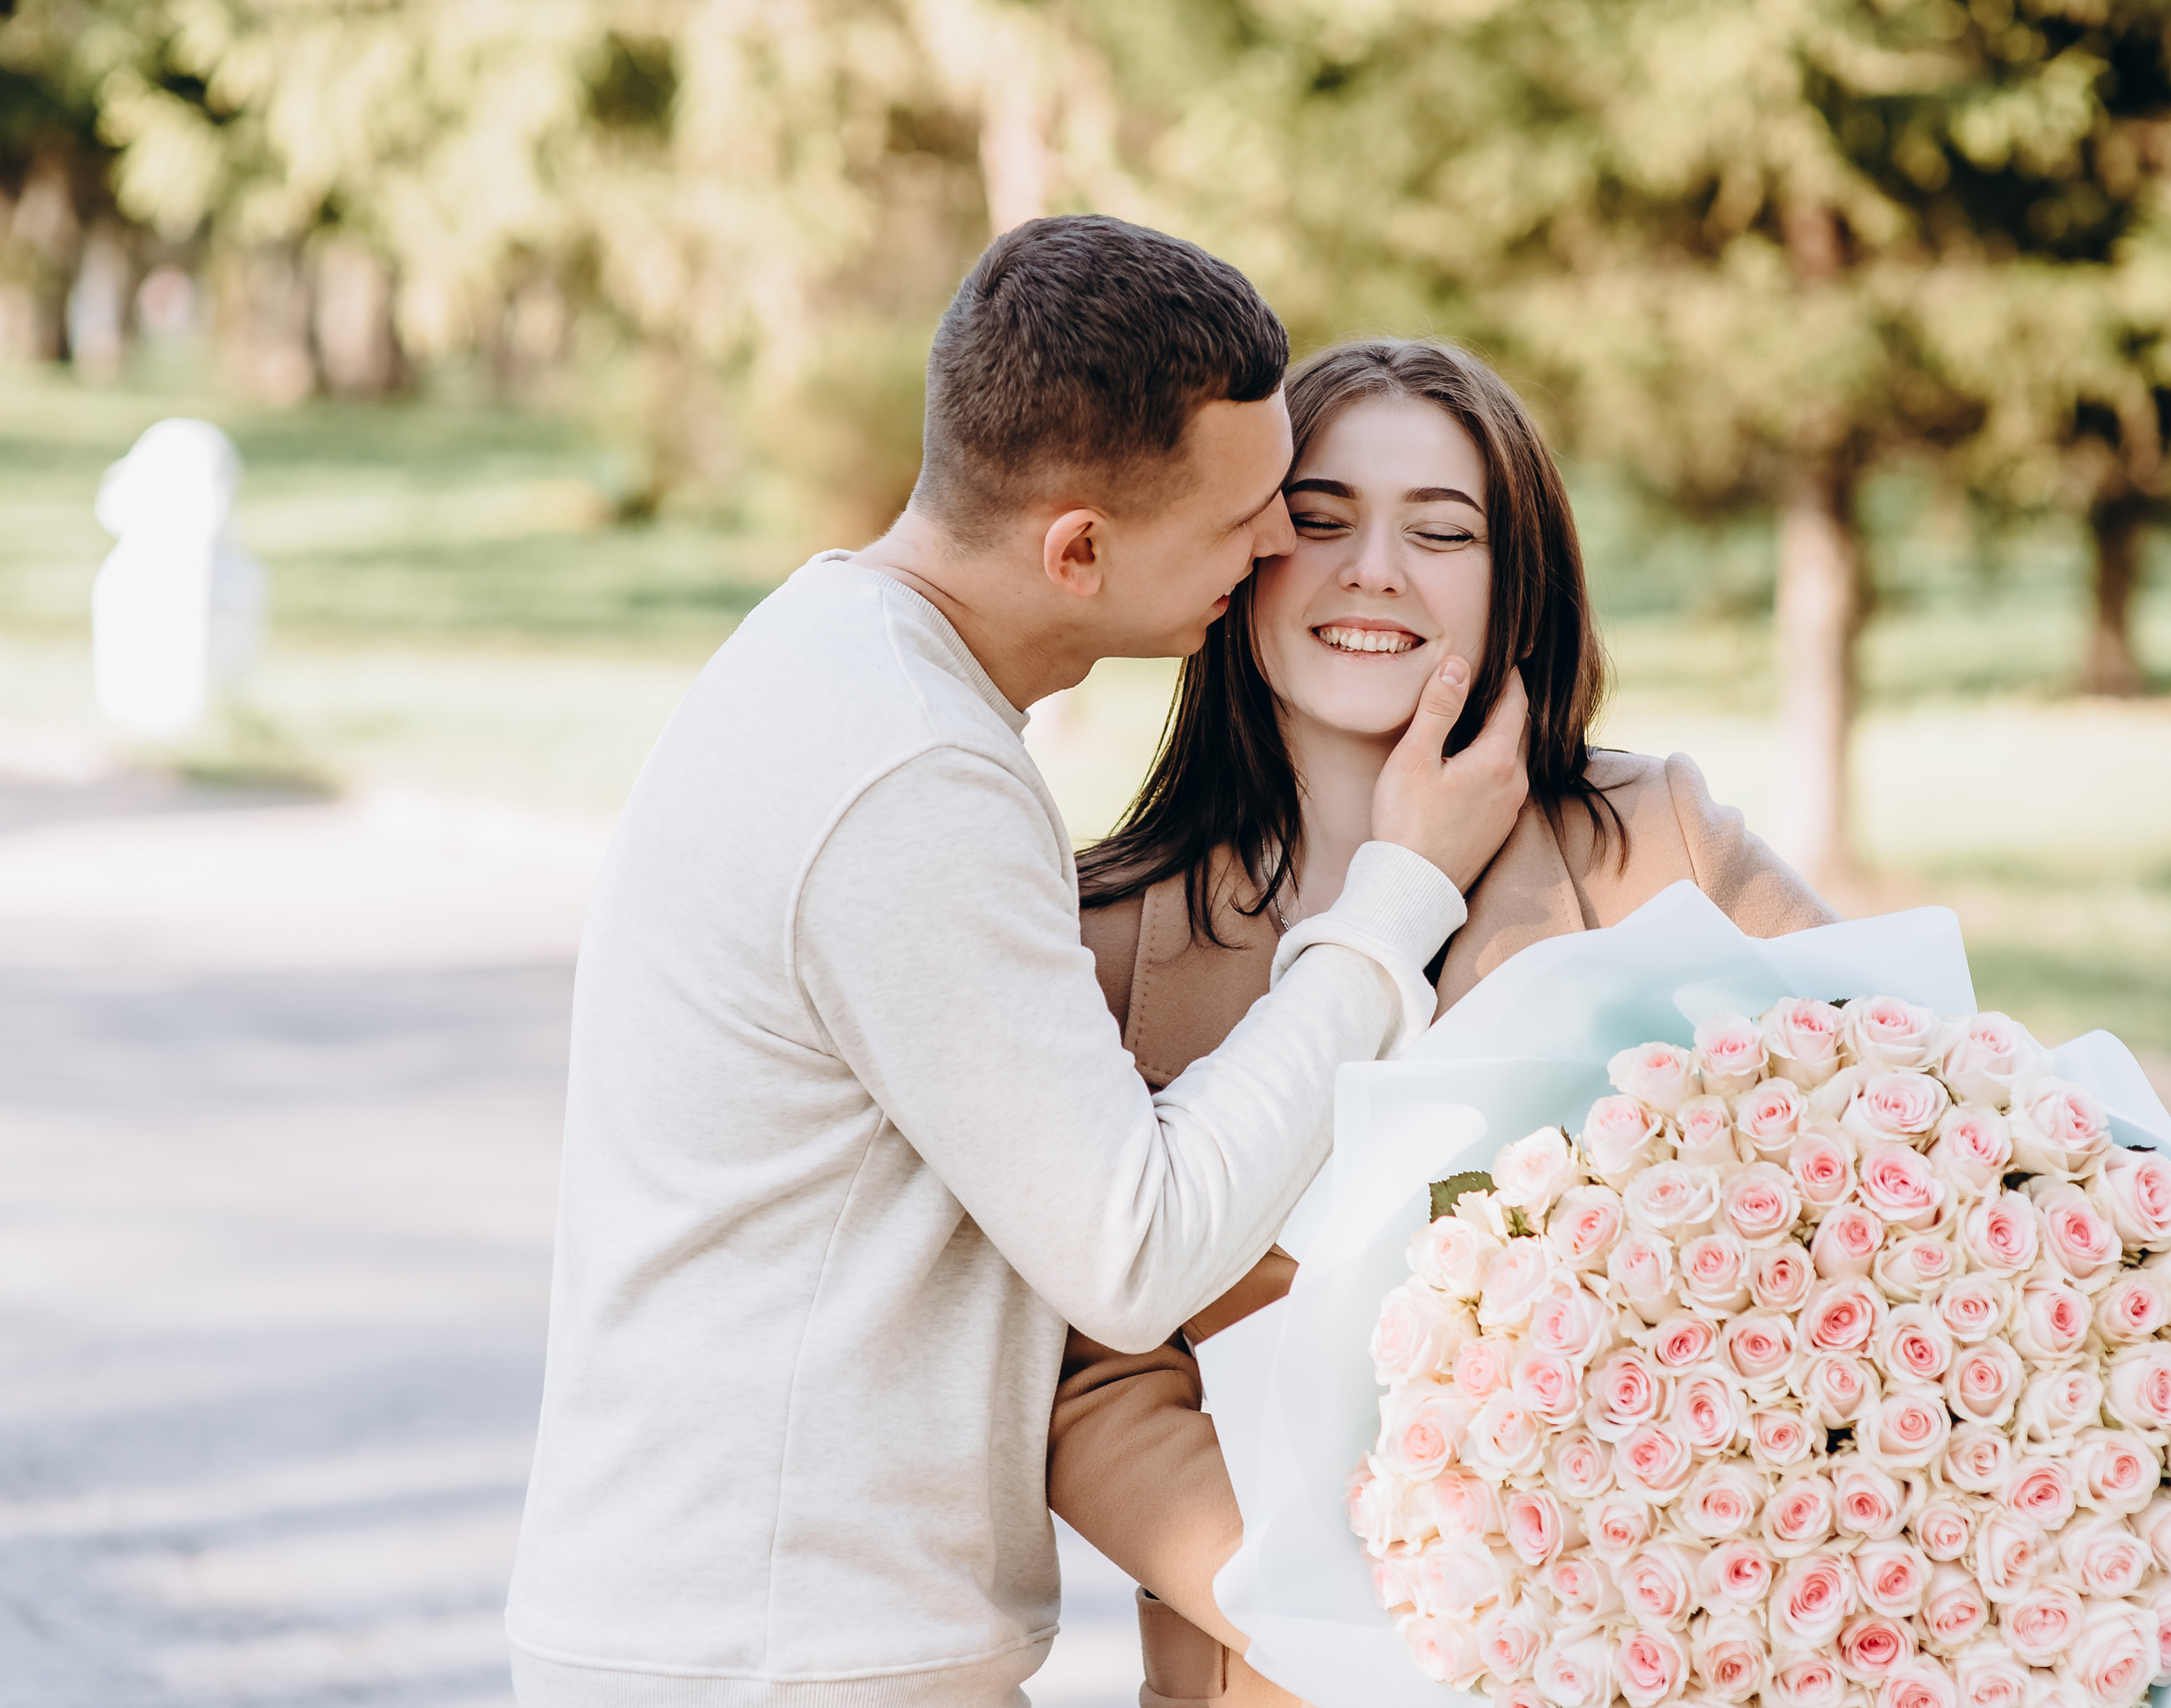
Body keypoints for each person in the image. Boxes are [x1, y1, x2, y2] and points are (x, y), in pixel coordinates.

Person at [506, 222, 1532, 1708]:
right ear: (1078, 550)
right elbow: (1135, 1250)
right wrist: (1397, 899)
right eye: (1251, 513)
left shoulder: (841, 665)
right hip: (778, 1653)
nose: (1272, 551)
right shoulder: (908, 770)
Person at [1047, 338, 1838, 1708]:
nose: (1375, 572)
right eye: (1321, 519)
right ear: (1243, 565)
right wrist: (1386, 1615)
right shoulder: (1107, 935)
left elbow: (1922, 1147)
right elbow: (1089, 1387)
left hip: (1666, 1655)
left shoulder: (1662, 848)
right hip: (1293, 1666)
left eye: (1443, 530)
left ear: (1515, 584)